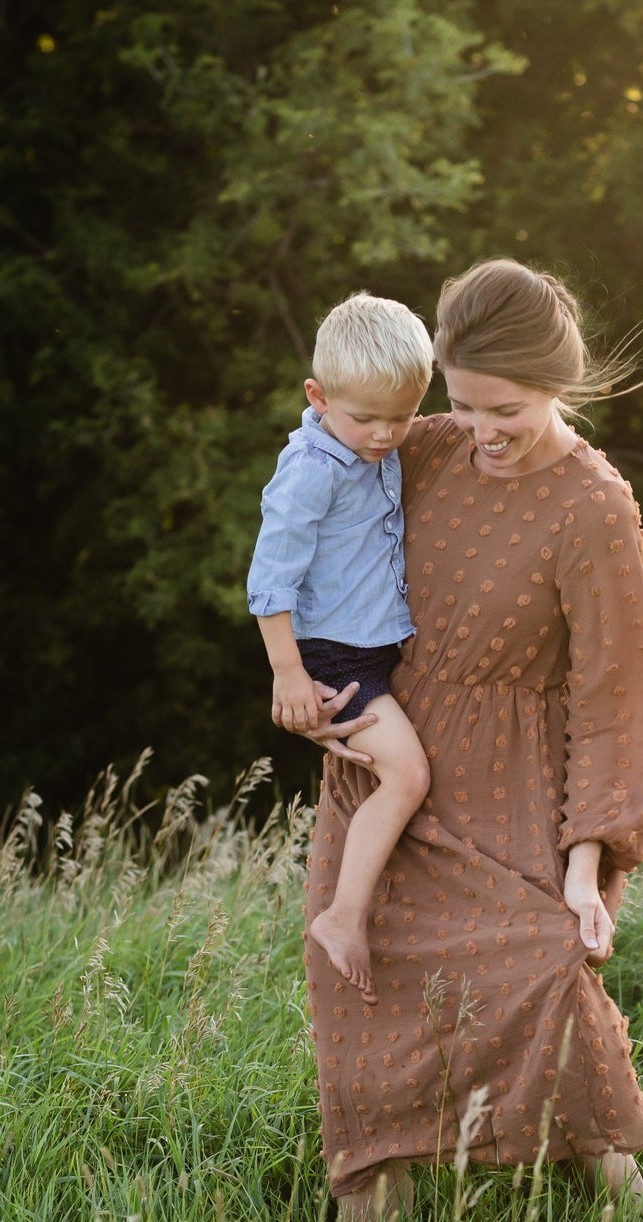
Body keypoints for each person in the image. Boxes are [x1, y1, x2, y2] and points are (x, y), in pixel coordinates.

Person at [299, 258, 643, 1222]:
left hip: (513, 801)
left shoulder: (592, 507)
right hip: (384, 783)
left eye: (502, 409)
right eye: (460, 404)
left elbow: (615, 695)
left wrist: (586, 869)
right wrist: (296, 670)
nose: (479, 431)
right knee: (367, 1030)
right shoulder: (417, 449)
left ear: (557, 384)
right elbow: (305, 514)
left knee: (552, 988)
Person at [247, 291, 433, 1004]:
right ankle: (343, 916)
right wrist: (288, 673)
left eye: (403, 416)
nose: (386, 434)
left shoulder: (363, 440)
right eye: (366, 418)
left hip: (367, 645)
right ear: (317, 396)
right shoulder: (313, 468)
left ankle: (349, 908)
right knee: (408, 777)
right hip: (332, 656)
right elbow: (270, 578)